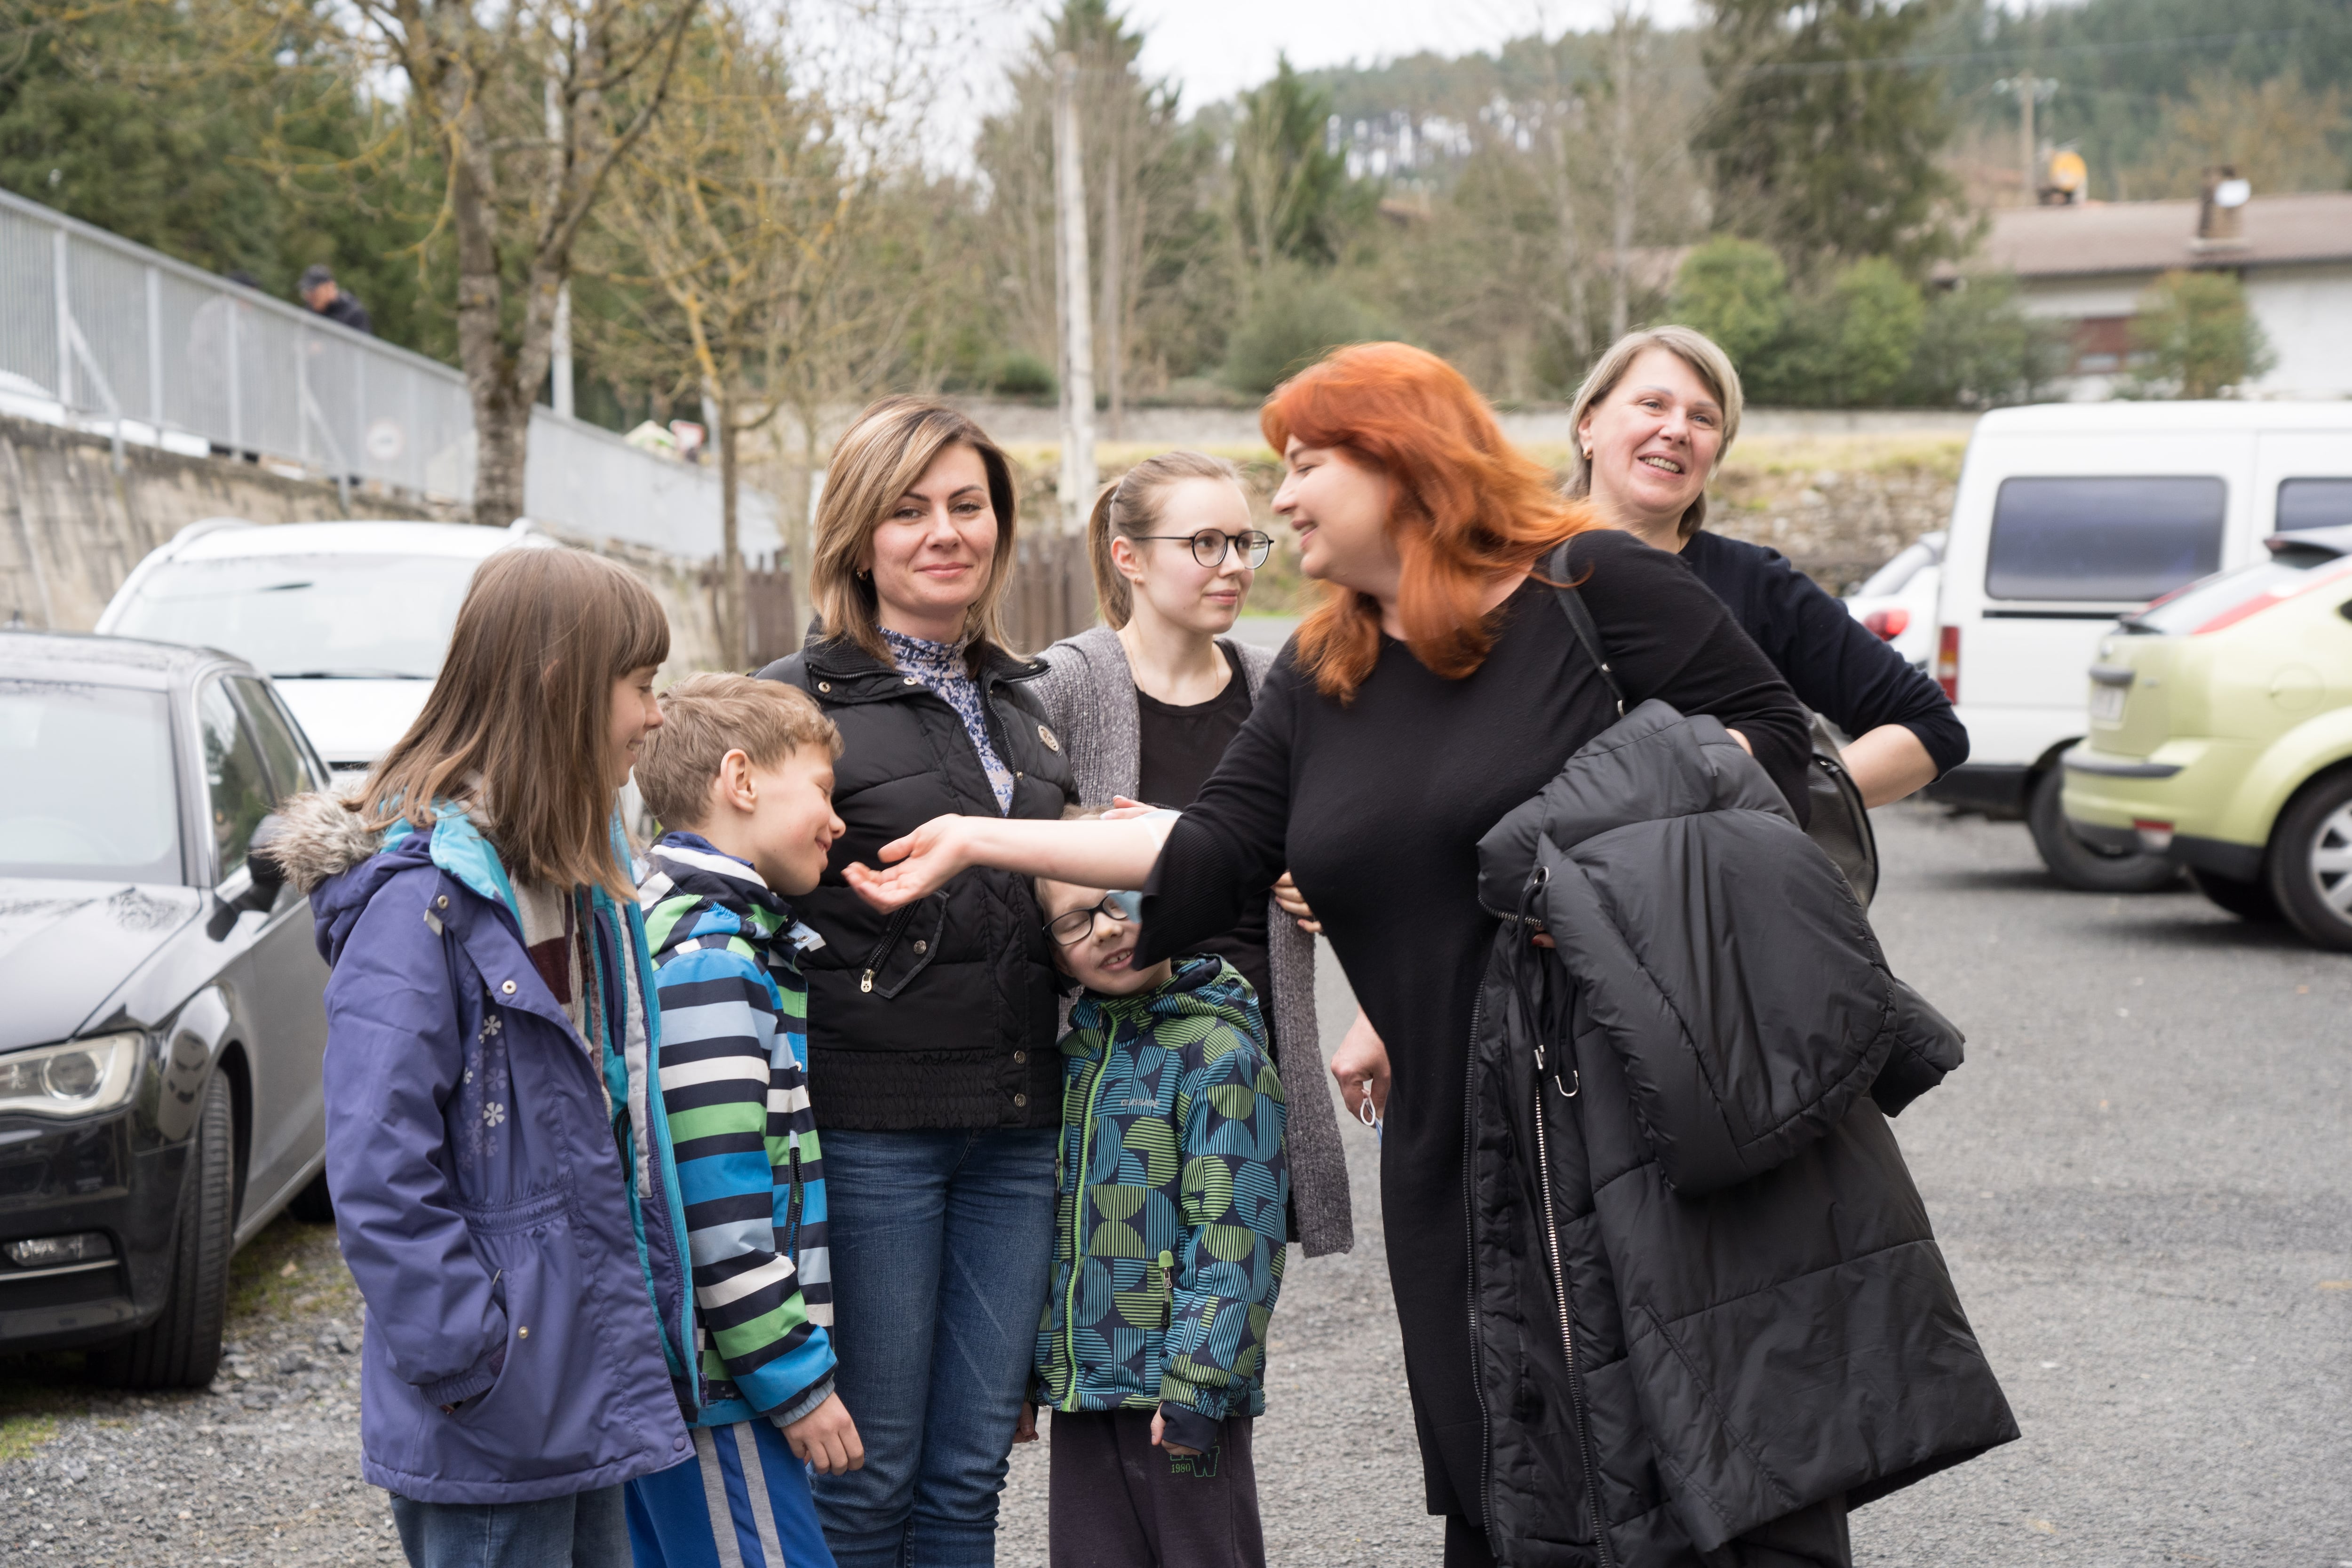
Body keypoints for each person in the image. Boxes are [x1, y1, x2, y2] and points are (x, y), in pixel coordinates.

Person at [837, 344, 1868, 1565]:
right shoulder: (1329, 667)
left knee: (1709, 1483)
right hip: (1457, 1154)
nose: (1281, 502)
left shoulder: (1589, 582)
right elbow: (1212, 847)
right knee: (1508, 1484)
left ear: (1403, 467)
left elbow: (1772, 746)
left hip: (1634, 1125)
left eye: (1308, 465)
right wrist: (974, 837)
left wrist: (1560, 840)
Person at [1310, 325, 1972, 1121]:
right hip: (1502, 971)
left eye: (1703, 417)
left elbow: (1929, 727)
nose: (1677, 429)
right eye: (1652, 403)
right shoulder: (1489, 580)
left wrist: (1767, 798)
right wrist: (1381, 1009)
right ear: (1587, 423)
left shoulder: (1751, 584)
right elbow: (1441, 813)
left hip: (1699, 969)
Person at [274, 548, 691, 1568]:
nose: (657, 715)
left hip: (569, 1378)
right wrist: (476, 1359)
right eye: (638, 687)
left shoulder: (570, 876)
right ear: (560, 687)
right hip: (500, 1398)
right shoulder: (418, 909)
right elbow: (377, 1170)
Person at [754, 396, 1077, 1567]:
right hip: (869, 1130)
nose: (945, 532)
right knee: (868, 1473)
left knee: (969, 1473)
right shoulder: (791, 703)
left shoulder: (1024, 705)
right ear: (857, 535)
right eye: (909, 510)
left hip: (1017, 1126)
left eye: (967, 506)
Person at [1027, 450, 1350, 1260]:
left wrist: (1321, 878)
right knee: (1105, 1346)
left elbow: (1355, 845)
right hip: (1111, 1075)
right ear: (1128, 557)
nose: (1234, 566)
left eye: (1246, 542)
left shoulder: (1283, 686)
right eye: (1205, 543)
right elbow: (1017, 867)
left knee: (1224, 1346)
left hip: (1249, 1068)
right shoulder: (1060, 688)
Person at [621, 673, 863, 1568]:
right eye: (824, 791)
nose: (837, 822)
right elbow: (713, 1204)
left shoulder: (679, 924)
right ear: (742, 779)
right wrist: (794, 1380)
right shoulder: (712, 954)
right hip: (724, 1386)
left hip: (698, 1377)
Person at [1018, 860, 1289, 1568]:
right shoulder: (1074, 1056)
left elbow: (1238, 1234)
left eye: (1122, 901)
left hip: (1181, 1383)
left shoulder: (1219, 1052)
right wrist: (1028, 1372)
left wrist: (1200, 1381)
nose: (1108, 928)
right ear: (1053, 950)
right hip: (1086, 1386)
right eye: (1077, 920)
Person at [300, 262, 374, 335]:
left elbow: (361, 345)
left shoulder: (353, 313)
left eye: (314, 292)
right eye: (307, 292)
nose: (309, 296)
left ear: (330, 287)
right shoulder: (310, 311)